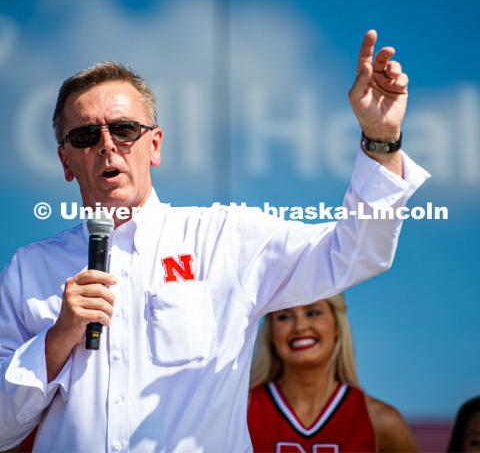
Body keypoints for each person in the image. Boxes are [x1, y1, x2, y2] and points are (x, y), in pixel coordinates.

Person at [0, 30, 429, 452]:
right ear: (66, 160)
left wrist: (381, 140)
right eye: (86, 136)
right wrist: (57, 340)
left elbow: (354, 254)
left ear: (155, 145)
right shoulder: (29, 270)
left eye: (125, 129)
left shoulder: (225, 238)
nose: (108, 146)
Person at [248, 294, 418, 452]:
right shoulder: (242, 413)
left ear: (337, 325)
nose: (299, 326)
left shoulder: (380, 421)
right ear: (270, 333)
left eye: (313, 312)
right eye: (284, 316)